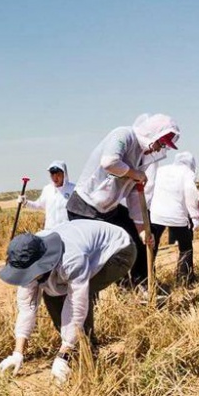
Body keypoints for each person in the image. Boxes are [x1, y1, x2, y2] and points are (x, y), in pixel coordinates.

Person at [0, 220, 137, 383]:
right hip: (83, 246)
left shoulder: (71, 260)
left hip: (118, 251)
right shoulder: (26, 256)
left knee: (71, 293)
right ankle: (76, 349)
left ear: (42, 264)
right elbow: (27, 307)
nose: (26, 278)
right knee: (52, 292)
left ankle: (85, 352)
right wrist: (17, 353)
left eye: (29, 273)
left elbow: (76, 306)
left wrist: (63, 354)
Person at [68, 114, 178, 286]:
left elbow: (135, 198)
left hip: (108, 210)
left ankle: (135, 284)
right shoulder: (123, 134)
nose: (159, 149)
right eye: (161, 143)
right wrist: (135, 174)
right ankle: (86, 301)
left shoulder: (141, 158)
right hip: (84, 207)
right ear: (153, 134)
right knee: (92, 258)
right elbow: (109, 162)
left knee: (132, 240)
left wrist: (142, 231)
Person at [146, 152, 199, 285]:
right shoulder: (187, 173)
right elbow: (190, 193)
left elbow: (149, 188)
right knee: (185, 247)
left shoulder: (161, 170)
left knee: (152, 247)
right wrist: (195, 216)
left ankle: (148, 279)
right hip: (177, 216)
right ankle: (185, 279)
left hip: (156, 215)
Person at [19, 161, 76, 231]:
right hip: (50, 230)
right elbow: (38, 205)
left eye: (58, 174)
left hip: (67, 230)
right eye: (52, 174)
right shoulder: (47, 189)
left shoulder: (73, 189)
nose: (55, 178)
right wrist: (25, 202)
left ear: (64, 174)